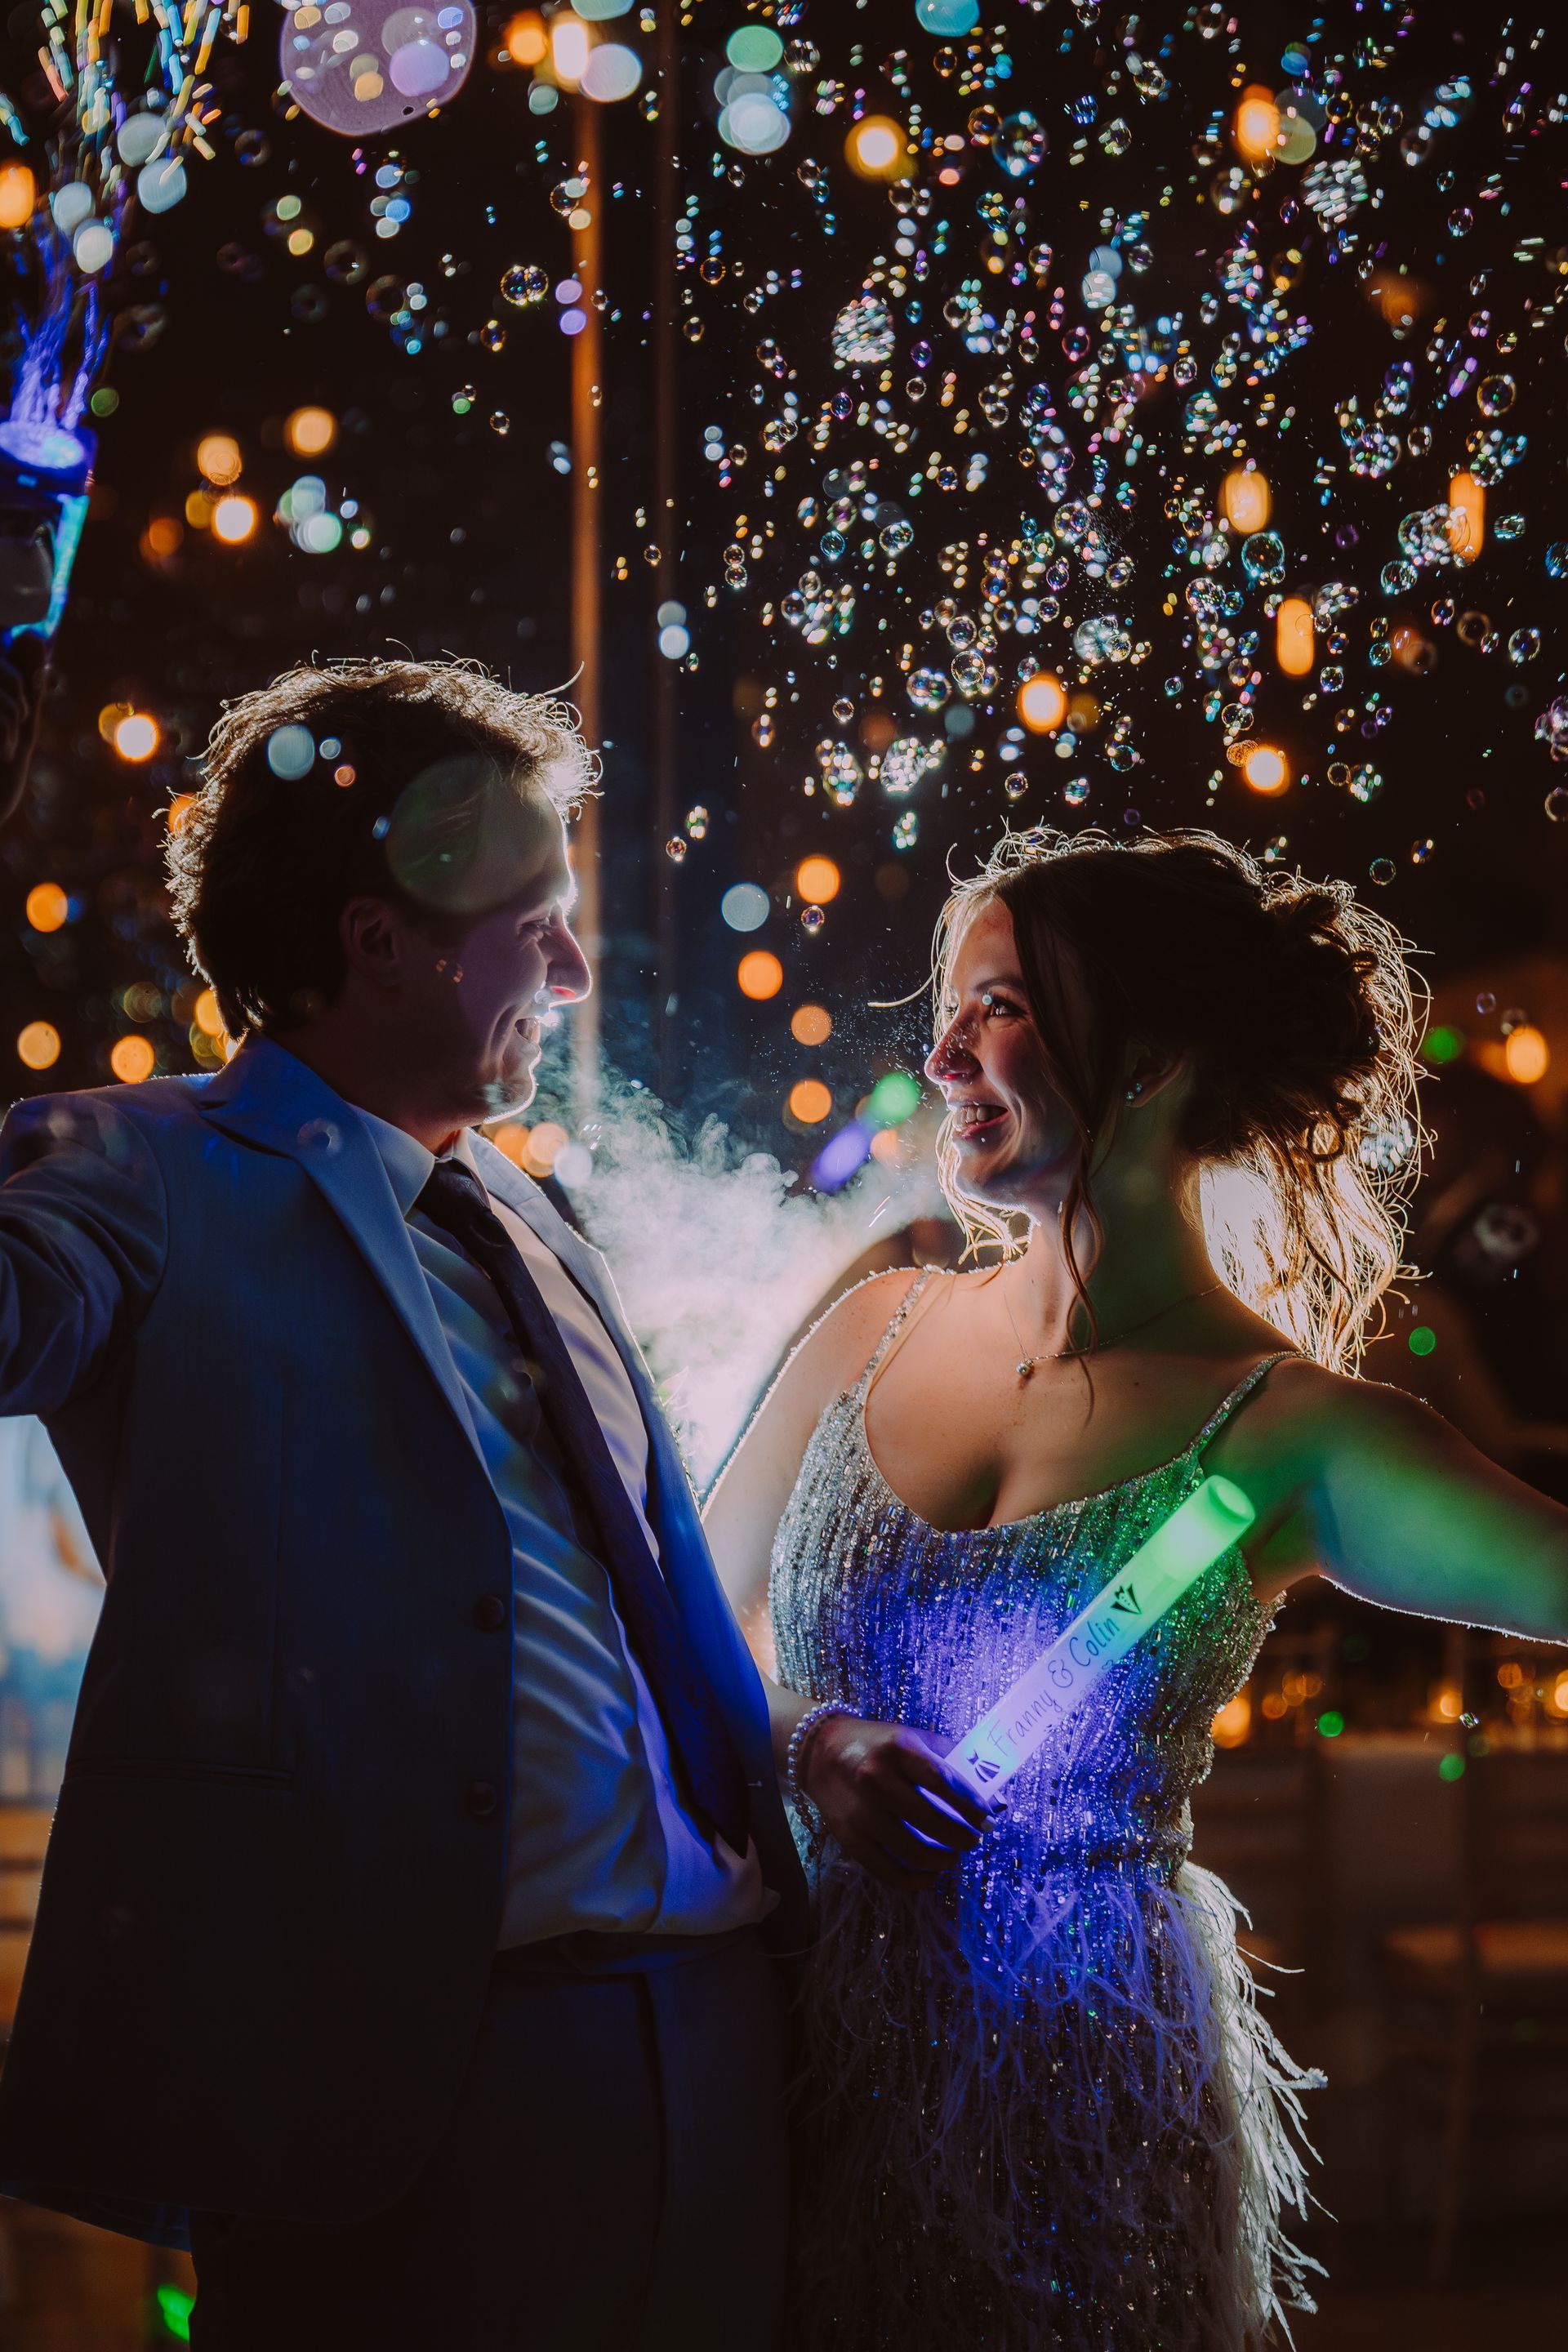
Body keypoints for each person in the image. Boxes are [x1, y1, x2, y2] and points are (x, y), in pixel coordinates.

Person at [0, 658, 805, 2350]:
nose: (578, 974)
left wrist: (804, 1754)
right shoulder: (131, 1168)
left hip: (721, 2041)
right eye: (542, 923)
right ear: (384, 939)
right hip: (400, 2094)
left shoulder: (535, 1218)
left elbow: (621, 1614)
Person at [705, 826, 1568, 2352]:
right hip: (780, 2053)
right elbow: (679, 1620)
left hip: (1078, 2111)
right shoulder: (875, 1326)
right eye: (951, 1007)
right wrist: (805, 1746)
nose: (949, 1047)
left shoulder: (1291, 1433)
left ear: (1155, 1057)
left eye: (1002, 1006)